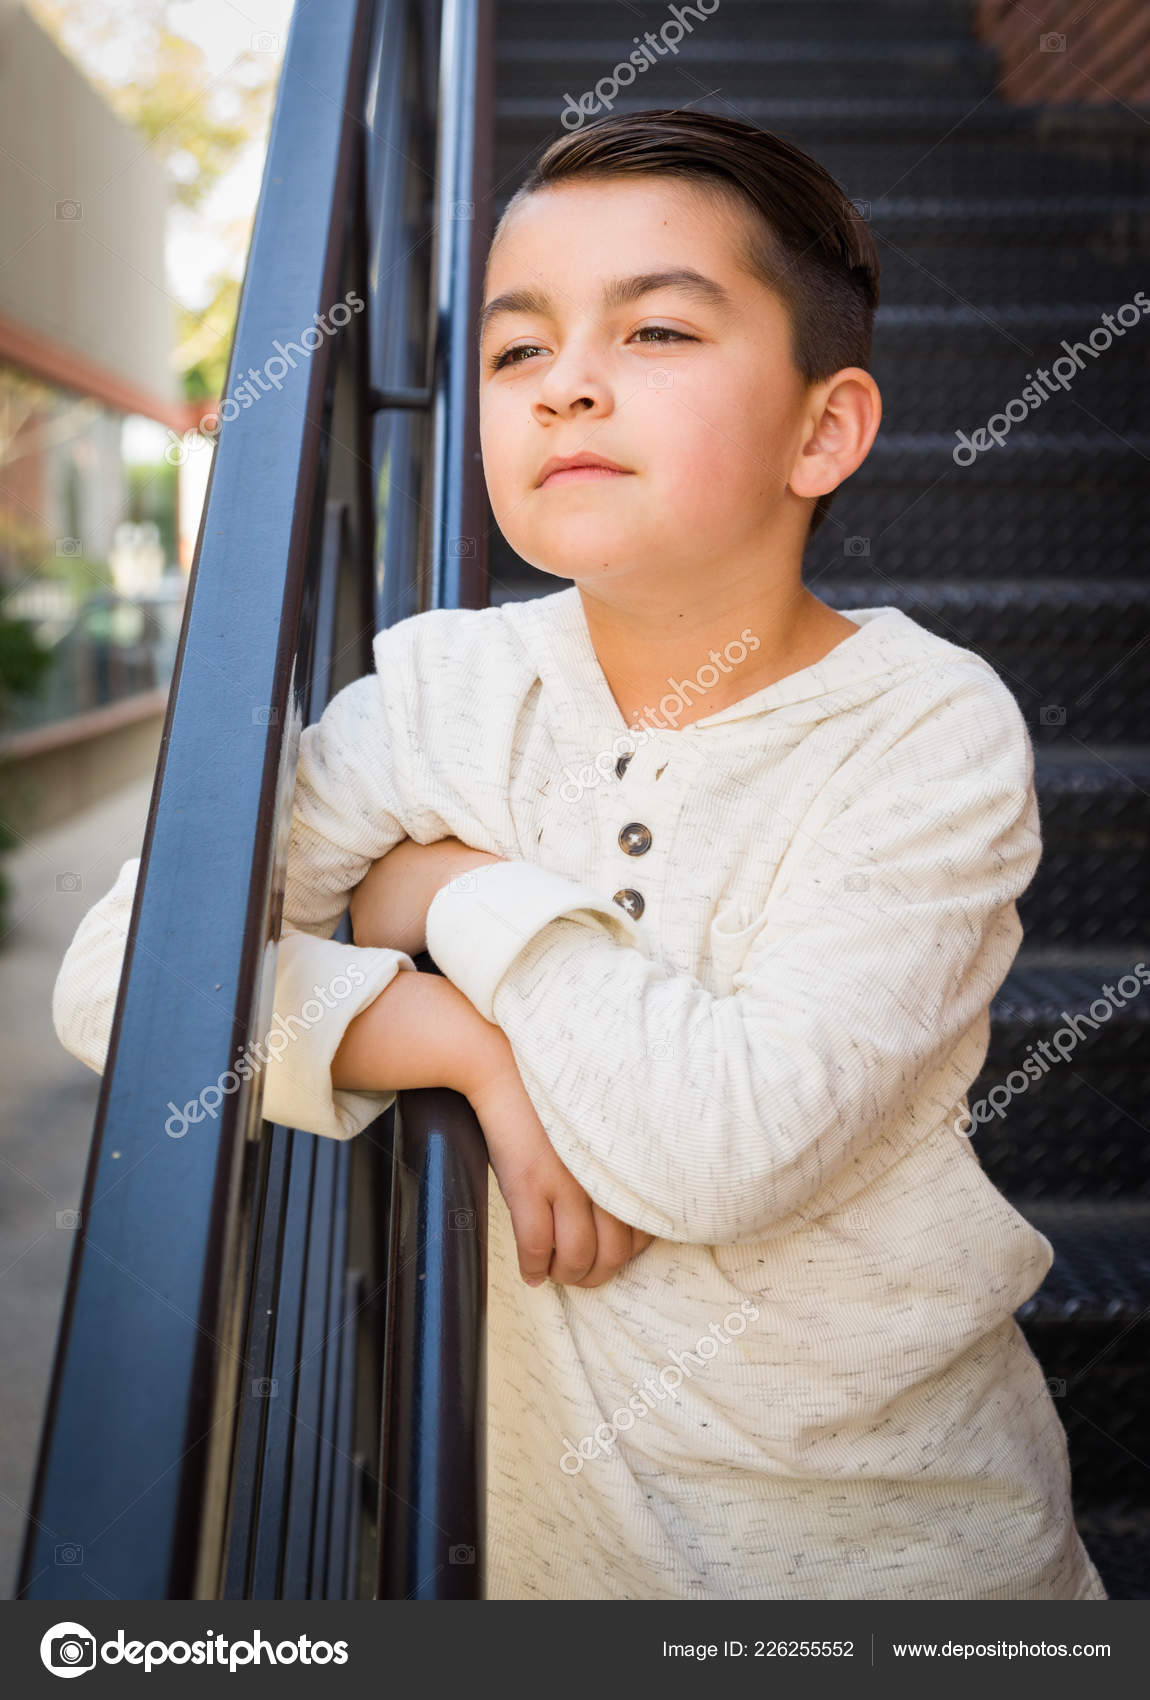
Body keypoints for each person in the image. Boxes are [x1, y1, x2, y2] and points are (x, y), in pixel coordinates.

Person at [52, 109, 1108, 1602]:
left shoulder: (925, 731)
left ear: (824, 429)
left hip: (900, 1558)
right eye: (514, 351)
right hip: (555, 1572)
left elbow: (714, 1148)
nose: (569, 389)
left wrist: (462, 894)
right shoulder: (438, 695)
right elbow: (120, 987)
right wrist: (458, 1040)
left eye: (658, 333)